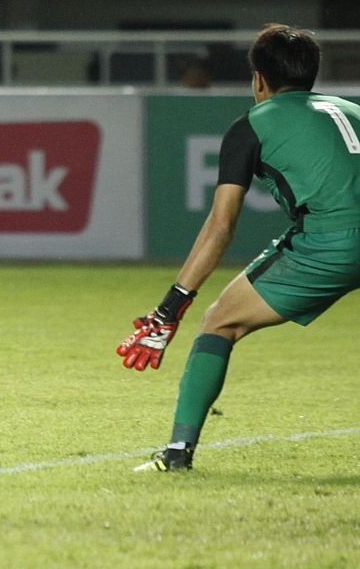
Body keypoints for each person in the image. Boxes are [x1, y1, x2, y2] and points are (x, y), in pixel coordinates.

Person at [117, 24, 359, 471]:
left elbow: (220, 227)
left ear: (259, 80)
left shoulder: (251, 125)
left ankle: (176, 454)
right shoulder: (353, 109)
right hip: (338, 232)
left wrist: (169, 309)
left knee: (219, 324)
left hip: (333, 242)